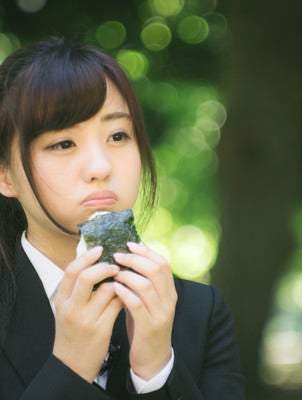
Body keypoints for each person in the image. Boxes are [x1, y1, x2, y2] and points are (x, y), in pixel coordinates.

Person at [0, 37, 245, 399]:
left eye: (118, 135)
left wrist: (155, 373)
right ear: (6, 174)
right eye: (63, 143)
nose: (101, 167)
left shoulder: (199, 313)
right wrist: (69, 369)